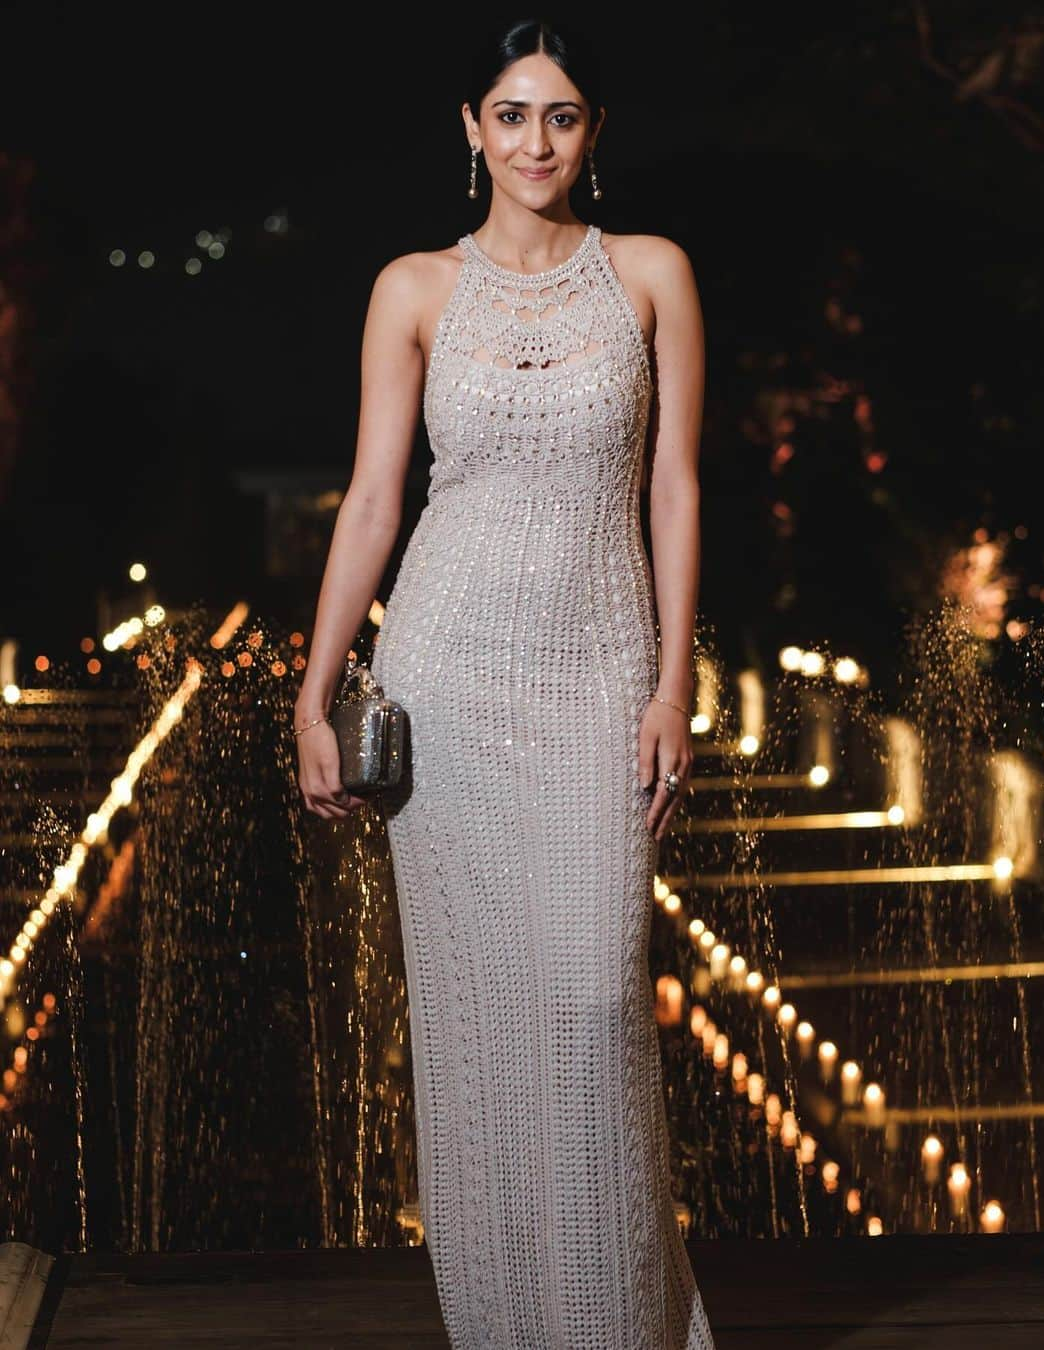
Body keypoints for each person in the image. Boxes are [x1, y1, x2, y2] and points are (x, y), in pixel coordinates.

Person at [294, 18, 712, 1348]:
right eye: (512, 113)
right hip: (449, 682)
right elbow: (371, 499)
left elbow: (677, 485)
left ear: (596, 133)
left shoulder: (650, 274)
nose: (538, 141)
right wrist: (316, 692)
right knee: (480, 1042)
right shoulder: (413, 287)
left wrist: (673, 683)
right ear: (469, 128)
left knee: (595, 1000)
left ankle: (622, 1324)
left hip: (600, 677)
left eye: (565, 116)